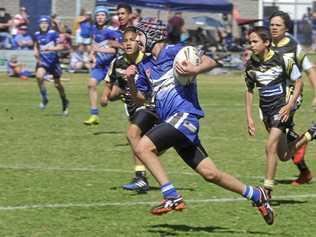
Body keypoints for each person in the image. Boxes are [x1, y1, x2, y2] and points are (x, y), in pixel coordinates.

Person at [125, 18, 275, 225]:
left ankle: (171, 196)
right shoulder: (144, 65)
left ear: (152, 35)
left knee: (142, 148)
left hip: (185, 116)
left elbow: (213, 61)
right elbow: (139, 98)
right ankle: (257, 195)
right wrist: (131, 80)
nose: (136, 40)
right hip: (172, 122)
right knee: (210, 174)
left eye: (139, 35)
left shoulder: (175, 51)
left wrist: (195, 70)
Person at [245, 26, 316, 197]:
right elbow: (249, 90)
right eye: (250, 42)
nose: (251, 45)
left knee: (269, 146)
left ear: (266, 43)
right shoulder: (250, 64)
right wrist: (249, 117)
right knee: (283, 155)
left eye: (255, 41)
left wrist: (290, 104)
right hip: (266, 111)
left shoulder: (282, 59)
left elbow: (298, 81)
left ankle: (267, 191)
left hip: (281, 108)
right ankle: (311, 133)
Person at [100, 26, 159, 192]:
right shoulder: (117, 62)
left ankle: (141, 178)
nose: (128, 43)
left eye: (132, 40)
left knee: (133, 135)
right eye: (125, 40)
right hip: (132, 109)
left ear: (138, 42)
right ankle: (146, 178)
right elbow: (109, 80)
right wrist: (105, 96)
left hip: (148, 106)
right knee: (141, 145)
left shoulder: (147, 61)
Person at [269, 11, 316, 185]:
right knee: (284, 137)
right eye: (272, 24)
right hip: (273, 98)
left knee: (277, 135)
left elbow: (310, 71)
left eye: (278, 25)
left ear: (286, 28)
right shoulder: (268, 45)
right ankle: (304, 170)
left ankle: (268, 185)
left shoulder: (294, 48)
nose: (274, 27)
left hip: (291, 96)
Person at [83, 6, 122, 125]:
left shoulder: (110, 31)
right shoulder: (94, 29)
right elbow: (94, 45)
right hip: (99, 66)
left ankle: (123, 93)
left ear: (106, 17)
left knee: (110, 97)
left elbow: (114, 51)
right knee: (91, 85)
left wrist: (99, 49)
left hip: (110, 67)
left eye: (102, 15)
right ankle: (94, 114)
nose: (100, 18)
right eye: (98, 15)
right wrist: (92, 54)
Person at [33, 16, 69, 116]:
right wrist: (36, 55)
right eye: (41, 23)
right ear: (39, 25)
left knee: (57, 85)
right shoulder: (37, 34)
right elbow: (36, 45)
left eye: (45, 23)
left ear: (49, 24)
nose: (43, 25)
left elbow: (61, 46)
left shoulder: (53, 34)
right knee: (39, 76)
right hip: (43, 62)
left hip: (54, 62)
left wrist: (51, 49)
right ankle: (45, 98)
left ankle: (64, 101)